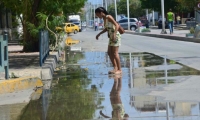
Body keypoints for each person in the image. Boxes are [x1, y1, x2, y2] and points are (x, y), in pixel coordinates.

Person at [95, 7, 122, 74]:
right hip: (111, 37)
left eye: (97, 15)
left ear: (101, 13)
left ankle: (119, 70)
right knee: (109, 53)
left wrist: (114, 34)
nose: (98, 16)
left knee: (115, 53)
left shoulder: (108, 17)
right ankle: (115, 68)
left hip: (115, 36)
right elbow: (106, 29)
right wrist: (99, 34)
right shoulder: (104, 19)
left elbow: (116, 25)